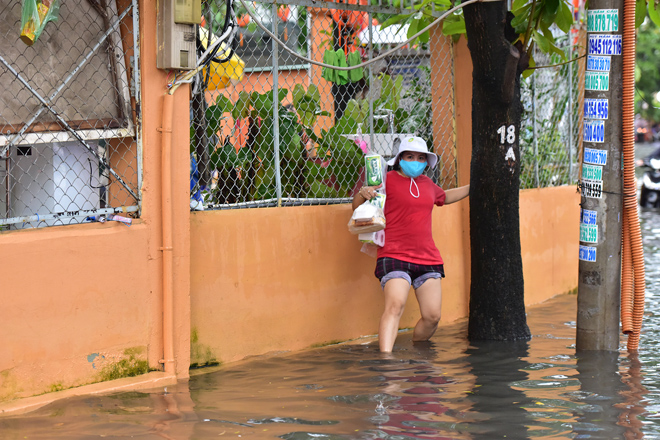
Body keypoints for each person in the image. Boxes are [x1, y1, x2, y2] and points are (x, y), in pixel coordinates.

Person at [351, 136, 470, 352]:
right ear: (400, 159)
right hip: (393, 255)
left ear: (426, 162)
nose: (415, 160)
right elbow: (356, 206)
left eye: (420, 157)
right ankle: (387, 365)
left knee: (432, 317)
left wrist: (473, 187)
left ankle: (418, 356)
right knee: (395, 305)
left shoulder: (427, 184)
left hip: (428, 257)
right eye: (409, 156)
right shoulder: (385, 179)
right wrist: (363, 192)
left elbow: (445, 196)